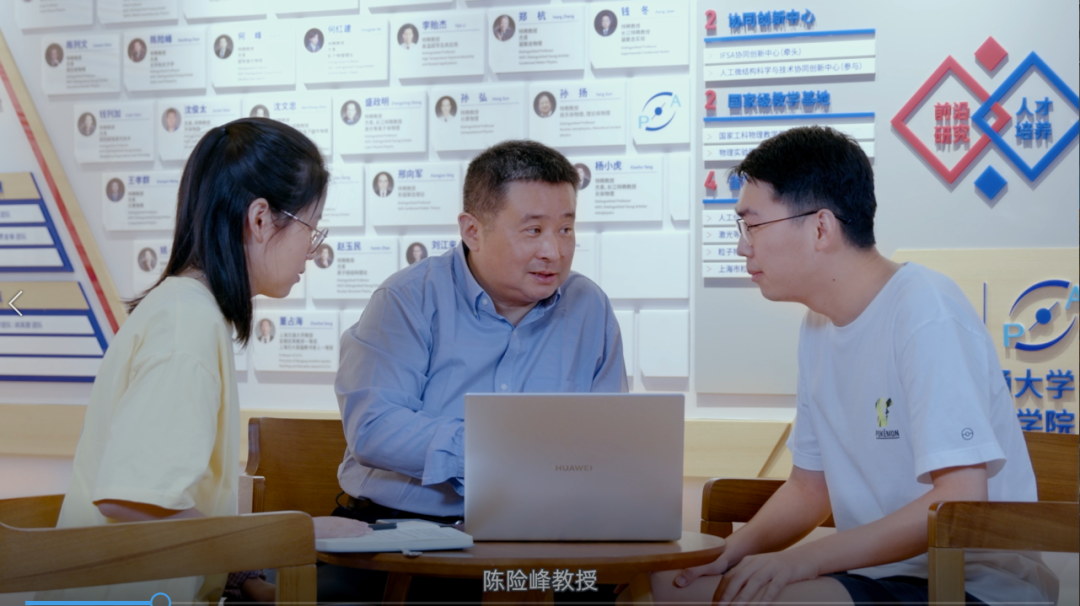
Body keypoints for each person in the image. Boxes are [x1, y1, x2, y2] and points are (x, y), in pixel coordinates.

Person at [651, 126, 1057, 606]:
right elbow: (809, 488)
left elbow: (959, 496)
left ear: (821, 228)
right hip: (873, 576)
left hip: (969, 583)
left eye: (752, 225)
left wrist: (804, 560)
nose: (743, 247)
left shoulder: (925, 309)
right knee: (674, 586)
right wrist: (725, 554)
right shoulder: (818, 325)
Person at [35, 118, 363, 606]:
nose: (312, 253)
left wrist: (242, 576)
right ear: (260, 219)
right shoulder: (187, 325)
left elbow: (159, 501)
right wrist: (289, 534)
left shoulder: (186, 310)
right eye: (310, 230)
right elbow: (134, 499)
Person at [328, 140, 626, 602]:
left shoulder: (590, 307)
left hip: (543, 540)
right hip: (403, 537)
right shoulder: (407, 299)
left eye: (566, 229)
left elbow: (611, 440)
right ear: (472, 230)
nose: (554, 251)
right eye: (533, 230)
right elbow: (375, 428)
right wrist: (498, 451)